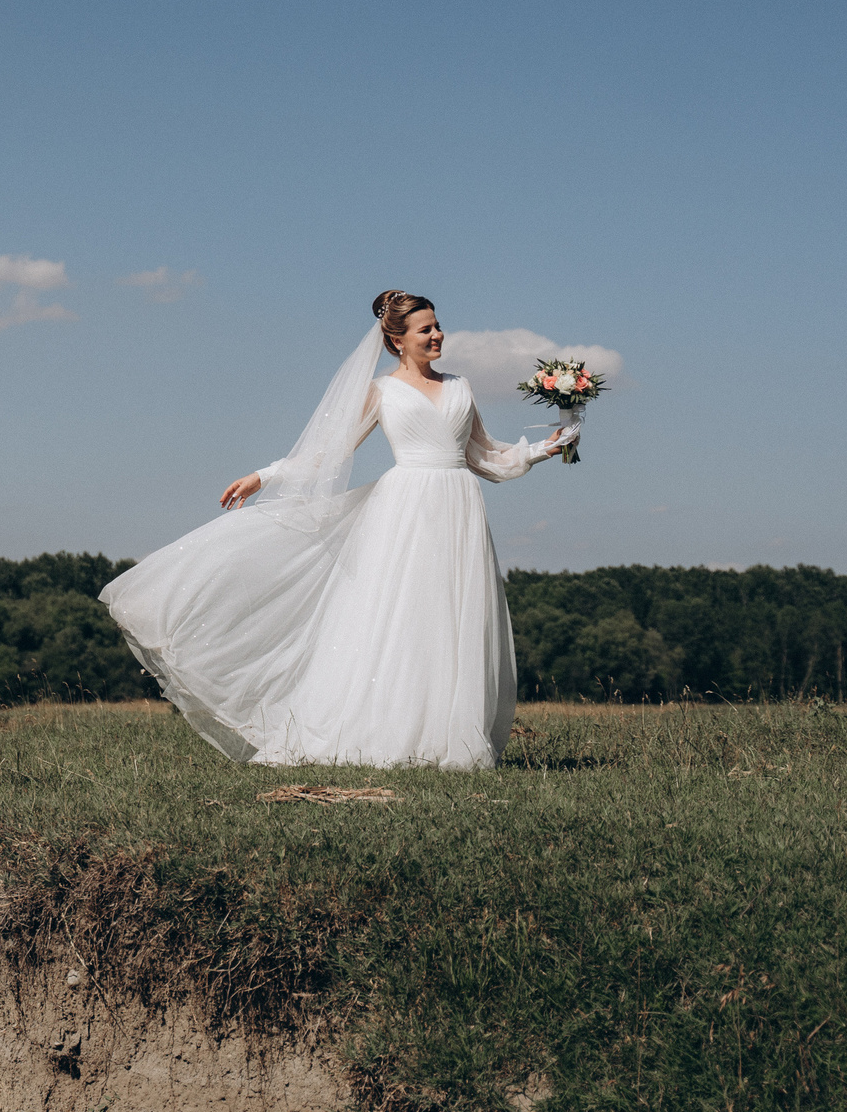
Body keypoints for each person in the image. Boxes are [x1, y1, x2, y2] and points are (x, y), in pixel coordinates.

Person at [99, 290, 571, 769]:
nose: (437, 335)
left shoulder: (460, 386)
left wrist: (539, 450)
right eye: (425, 329)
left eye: (437, 325)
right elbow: (330, 451)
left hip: (459, 510)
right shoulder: (381, 392)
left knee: (454, 617)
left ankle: (450, 738)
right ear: (396, 340)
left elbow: (484, 456)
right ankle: (391, 733)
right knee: (404, 618)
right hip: (405, 511)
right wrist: (266, 475)